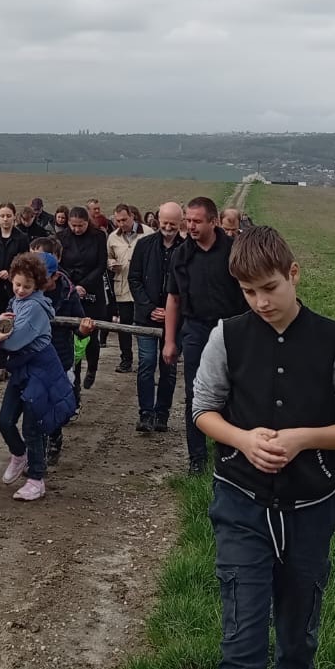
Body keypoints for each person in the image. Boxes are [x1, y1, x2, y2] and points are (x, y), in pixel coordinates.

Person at [192, 225, 335, 669]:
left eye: (270, 288)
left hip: (310, 509)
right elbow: (202, 410)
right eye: (248, 292)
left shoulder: (333, 338)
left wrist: (302, 439)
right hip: (240, 504)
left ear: (293, 274)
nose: (260, 302)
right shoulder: (226, 336)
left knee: (298, 637)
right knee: (242, 641)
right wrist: (243, 439)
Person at [163, 196, 249, 474]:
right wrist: (170, 341)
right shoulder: (181, 255)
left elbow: (249, 291)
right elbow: (173, 299)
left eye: (197, 221)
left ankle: (233, 451)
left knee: (235, 391)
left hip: (232, 329)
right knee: (195, 394)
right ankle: (197, 458)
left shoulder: (235, 252)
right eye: (188, 221)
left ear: (214, 222)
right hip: (196, 330)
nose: (191, 226)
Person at [0, 252, 73, 503]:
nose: (20, 290)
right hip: (21, 368)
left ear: (37, 285)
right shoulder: (16, 302)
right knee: (4, 420)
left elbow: (13, 342)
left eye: (27, 286)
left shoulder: (36, 308)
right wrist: (1, 323)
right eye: (17, 284)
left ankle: (36, 479)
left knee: (33, 426)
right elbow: (6, 329)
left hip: (40, 369)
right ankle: (19, 454)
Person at [29, 238, 93, 468]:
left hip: (59, 354)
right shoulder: (27, 288)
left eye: (43, 278)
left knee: (53, 404)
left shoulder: (68, 293)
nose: (39, 282)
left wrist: (83, 330)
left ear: (55, 276)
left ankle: (54, 440)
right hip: (32, 355)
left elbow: (79, 325)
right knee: (34, 404)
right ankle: (36, 451)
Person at [129, 200, 183, 434]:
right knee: (147, 363)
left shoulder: (187, 249)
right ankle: (146, 414)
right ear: (157, 220)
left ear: (180, 223)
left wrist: (172, 311)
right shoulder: (144, 245)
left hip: (175, 320)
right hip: (146, 316)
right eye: (164, 223)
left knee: (168, 368)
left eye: (173, 224)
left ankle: (162, 414)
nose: (168, 228)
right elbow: (134, 279)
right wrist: (149, 307)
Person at [58, 206, 110, 389]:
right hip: (70, 288)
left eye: (80, 225)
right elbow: (59, 264)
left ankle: (92, 367)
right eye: (73, 225)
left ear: (87, 223)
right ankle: (76, 380)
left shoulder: (98, 236)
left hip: (92, 288)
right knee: (74, 335)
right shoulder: (61, 237)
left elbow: (101, 264)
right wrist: (72, 286)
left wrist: (84, 285)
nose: (77, 229)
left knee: (92, 334)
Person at [105, 203, 149, 375]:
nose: (121, 224)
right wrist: (111, 264)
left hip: (144, 288)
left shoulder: (148, 233)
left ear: (132, 216)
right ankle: (126, 360)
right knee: (124, 326)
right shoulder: (112, 238)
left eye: (124, 219)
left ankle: (146, 360)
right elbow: (108, 257)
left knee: (144, 326)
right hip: (122, 286)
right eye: (118, 221)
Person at [0, 202, 30, 314]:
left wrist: (10, 273)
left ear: (14, 217)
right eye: (2, 216)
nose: (5, 219)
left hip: (14, 290)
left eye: (8, 216)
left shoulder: (22, 238)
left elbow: (25, 263)